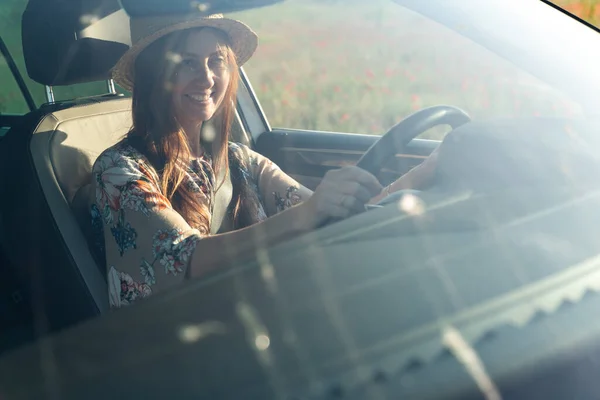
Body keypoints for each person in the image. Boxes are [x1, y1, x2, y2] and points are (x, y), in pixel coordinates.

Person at [92, 13, 437, 309]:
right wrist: (308, 213)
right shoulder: (119, 171)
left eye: (217, 60)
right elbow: (184, 258)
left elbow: (336, 215)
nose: (207, 77)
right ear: (155, 76)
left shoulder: (240, 160)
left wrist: (432, 167)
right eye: (186, 63)